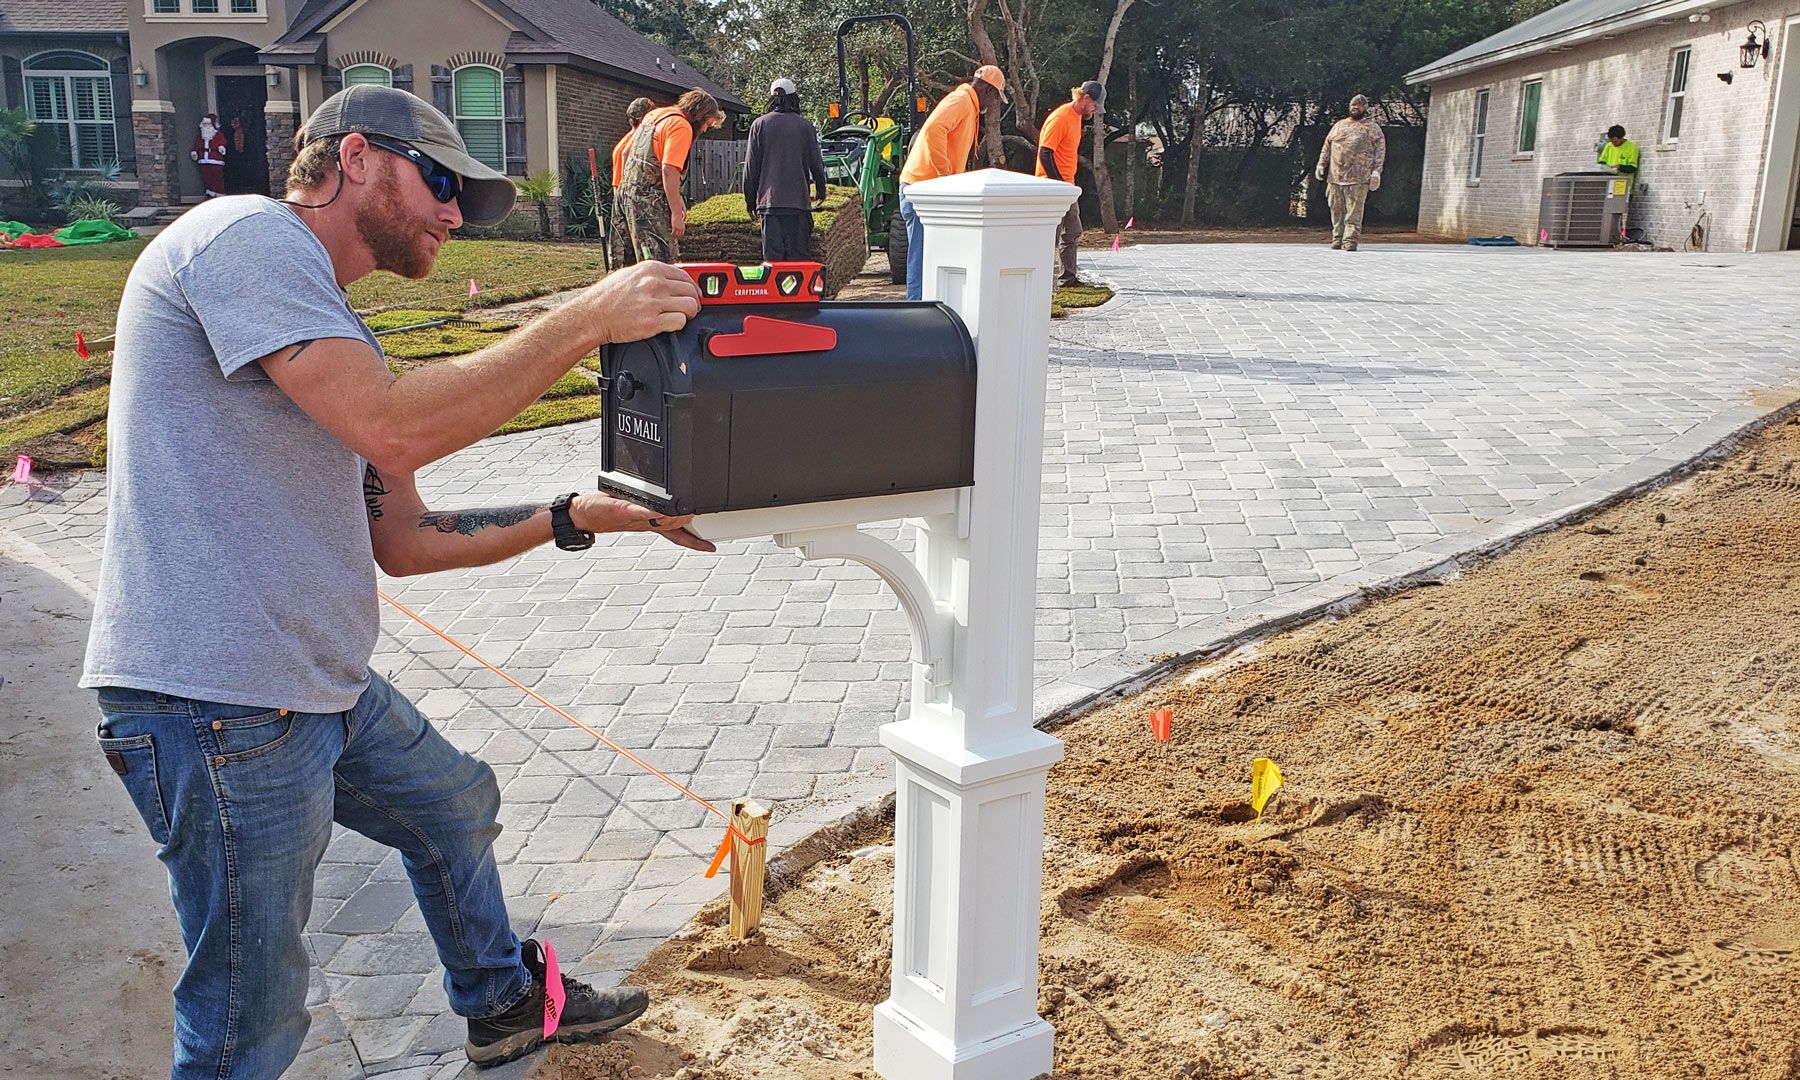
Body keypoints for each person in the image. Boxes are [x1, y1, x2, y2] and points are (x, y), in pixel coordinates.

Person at [82, 84, 711, 1078]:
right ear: (357, 158)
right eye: (443, 182)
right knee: (249, 1021)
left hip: (315, 682)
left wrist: (571, 517)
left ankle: (502, 1002)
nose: (456, 214)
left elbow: (406, 537)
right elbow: (395, 425)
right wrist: (586, 315)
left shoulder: (327, 326)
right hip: (216, 702)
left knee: (453, 803)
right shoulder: (244, 238)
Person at [896, 65, 1007, 300]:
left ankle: (924, 310)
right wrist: (946, 177)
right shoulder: (961, 101)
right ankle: (916, 313)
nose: (994, 103)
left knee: (929, 255)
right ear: (987, 89)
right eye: (996, 96)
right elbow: (934, 130)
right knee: (922, 256)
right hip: (923, 188)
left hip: (925, 186)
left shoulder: (966, 103)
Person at [617, 87, 726, 263]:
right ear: (700, 116)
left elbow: (626, 152)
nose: (705, 130)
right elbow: (669, 169)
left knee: (628, 267)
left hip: (626, 196)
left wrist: (676, 197)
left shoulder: (656, 115)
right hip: (649, 204)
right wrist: (676, 213)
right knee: (660, 265)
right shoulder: (681, 126)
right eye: (707, 124)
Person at [742, 77, 828, 262]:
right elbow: (816, 164)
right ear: (794, 98)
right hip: (799, 205)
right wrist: (821, 190)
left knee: (773, 264)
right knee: (799, 262)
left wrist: (750, 201)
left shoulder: (760, 125)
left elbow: (751, 168)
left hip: (769, 206)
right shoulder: (805, 126)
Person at [1035, 80, 1105, 286]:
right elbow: (1045, 153)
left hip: (1067, 186)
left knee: (1072, 231)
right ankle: (1042, 282)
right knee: (1051, 236)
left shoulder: (1076, 118)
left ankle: (1068, 278)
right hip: (1052, 187)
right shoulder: (1060, 117)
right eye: (1095, 105)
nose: (1095, 110)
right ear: (1085, 98)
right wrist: (1058, 185)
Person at [1314, 93, 1385, 251]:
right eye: (1353, 104)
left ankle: (1350, 240)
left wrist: (1376, 172)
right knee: (1336, 210)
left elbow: (1380, 151)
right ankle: (1337, 238)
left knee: (1354, 212)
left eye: (1359, 105)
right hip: (1335, 177)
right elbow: (1327, 146)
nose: (1355, 107)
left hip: (1359, 178)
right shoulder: (1339, 125)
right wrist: (1321, 164)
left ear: (1365, 108)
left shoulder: (1372, 128)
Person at [608, 96, 655, 267]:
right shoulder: (638, 139)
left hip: (620, 199)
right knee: (641, 255)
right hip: (632, 201)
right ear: (643, 118)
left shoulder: (624, 140)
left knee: (622, 256)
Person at [191, 112, 228, 198]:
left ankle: (219, 192)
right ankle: (210, 192)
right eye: (205, 124)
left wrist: (221, 148)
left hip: (215, 159)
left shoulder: (218, 135)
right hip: (203, 159)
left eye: (208, 124)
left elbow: (222, 142)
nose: (206, 126)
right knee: (206, 176)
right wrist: (195, 152)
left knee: (217, 176)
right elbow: (197, 145)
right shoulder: (200, 136)